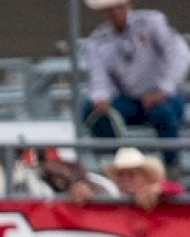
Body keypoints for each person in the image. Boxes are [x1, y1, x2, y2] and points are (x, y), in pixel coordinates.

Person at [81, 0, 189, 170]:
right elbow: (98, 76)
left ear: (128, 5)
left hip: (165, 96)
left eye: (119, 7)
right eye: (110, 9)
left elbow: (179, 55)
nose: (115, 12)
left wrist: (163, 89)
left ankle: (171, 165)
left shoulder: (152, 22)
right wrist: (101, 97)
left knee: (163, 113)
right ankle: (117, 162)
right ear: (104, 13)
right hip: (132, 100)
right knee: (92, 112)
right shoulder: (98, 40)